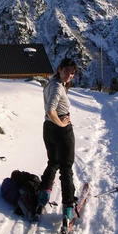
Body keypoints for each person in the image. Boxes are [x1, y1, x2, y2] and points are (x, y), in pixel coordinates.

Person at [34, 58, 78, 224]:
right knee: (66, 167)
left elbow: (49, 110)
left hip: (48, 129)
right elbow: (50, 109)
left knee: (53, 162)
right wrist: (61, 123)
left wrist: (55, 122)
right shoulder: (58, 87)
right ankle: (68, 209)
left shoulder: (51, 82)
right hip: (61, 130)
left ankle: (42, 197)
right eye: (67, 71)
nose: (69, 75)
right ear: (59, 69)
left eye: (73, 73)